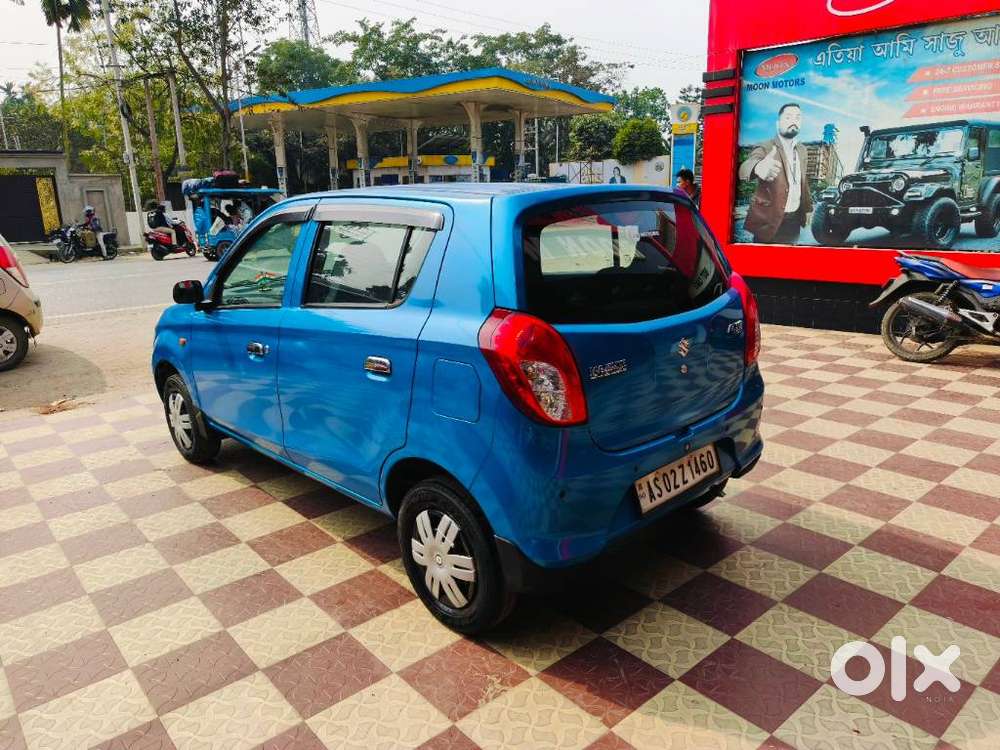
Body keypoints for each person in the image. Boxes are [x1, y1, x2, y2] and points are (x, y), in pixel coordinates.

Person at [738, 102, 812, 244]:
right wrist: (758, 167)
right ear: (778, 123)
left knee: (787, 263)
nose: (793, 122)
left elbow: (803, 182)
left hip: (794, 220)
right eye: (788, 117)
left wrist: (808, 208)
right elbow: (746, 165)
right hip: (768, 220)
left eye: (797, 118)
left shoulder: (803, 150)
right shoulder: (766, 146)